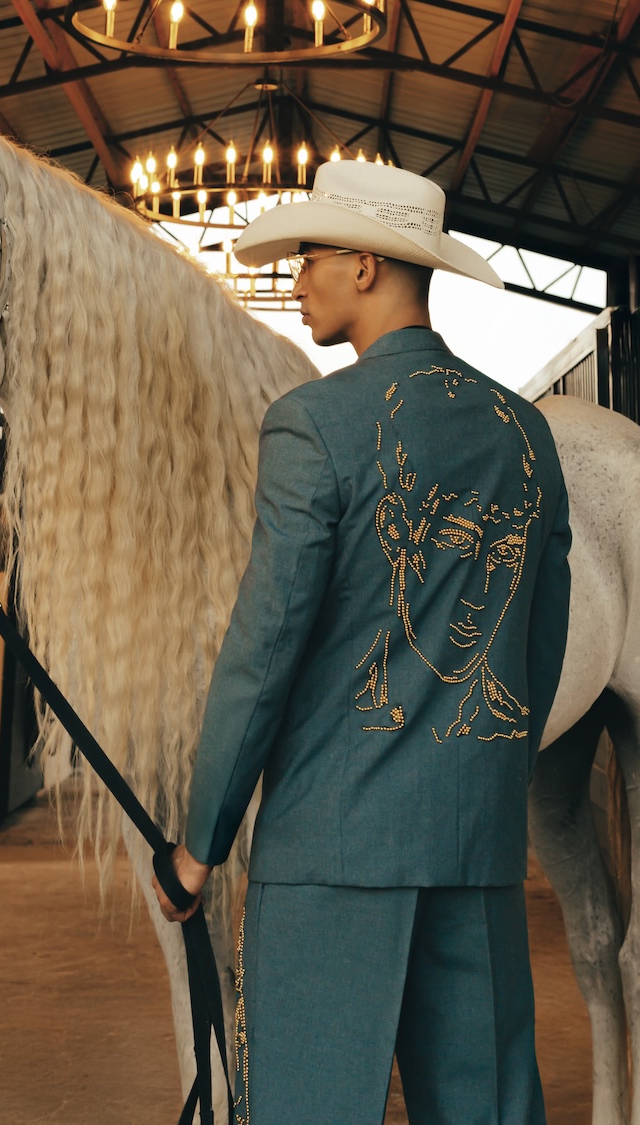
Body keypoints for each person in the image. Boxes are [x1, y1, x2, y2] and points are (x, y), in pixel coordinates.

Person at [153, 158, 571, 1125]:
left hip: (329, 855)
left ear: (368, 266)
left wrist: (200, 844)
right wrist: (486, 779)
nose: (296, 280)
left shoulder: (313, 424)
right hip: (477, 847)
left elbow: (264, 650)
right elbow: (539, 646)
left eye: (310, 258)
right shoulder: (525, 433)